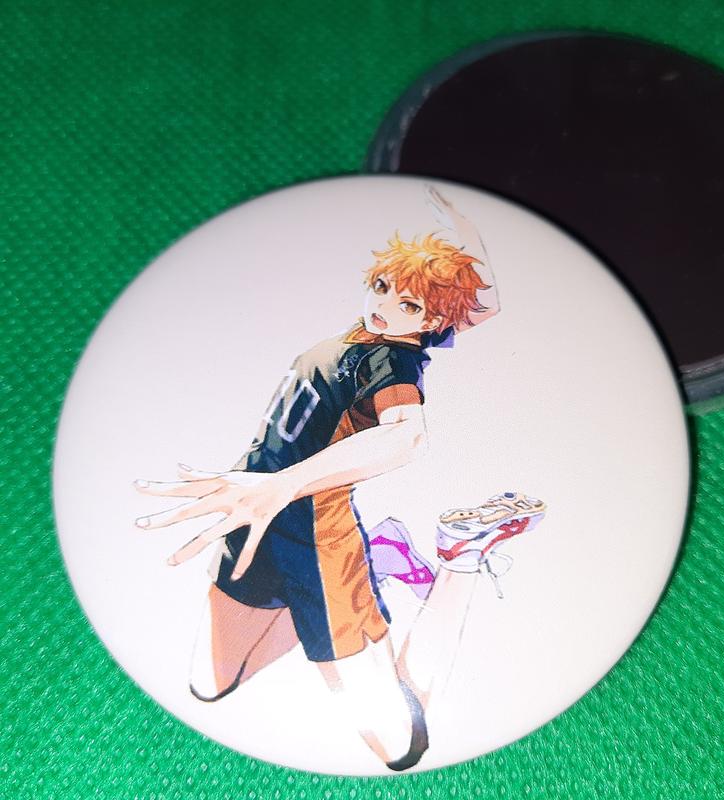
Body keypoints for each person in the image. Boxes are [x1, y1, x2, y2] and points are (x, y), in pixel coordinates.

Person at [134, 186, 523, 771]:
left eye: (409, 305)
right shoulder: (369, 332)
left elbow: (406, 435)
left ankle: (459, 556)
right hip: (255, 514)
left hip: (316, 539)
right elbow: (480, 302)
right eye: (383, 287)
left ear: (429, 320)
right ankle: (381, 558)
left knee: (401, 748)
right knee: (207, 687)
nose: (385, 305)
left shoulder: (393, 359)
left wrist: (282, 485)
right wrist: (463, 224)